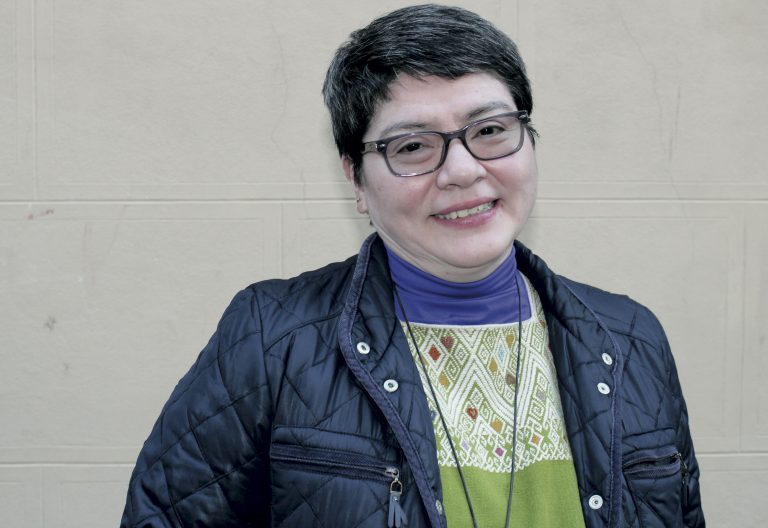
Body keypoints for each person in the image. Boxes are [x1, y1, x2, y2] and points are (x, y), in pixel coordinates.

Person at [121, 4, 704, 527]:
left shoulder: (631, 338)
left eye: (490, 131)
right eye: (412, 146)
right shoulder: (272, 335)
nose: (463, 171)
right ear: (355, 178)